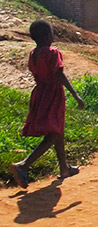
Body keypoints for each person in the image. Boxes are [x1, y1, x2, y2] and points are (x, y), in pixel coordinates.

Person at [9, 20, 85, 189]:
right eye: (51, 34)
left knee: (58, 129)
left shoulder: (33, 53)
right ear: (46, 36)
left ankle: (64, 168)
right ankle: (24, 165)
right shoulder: (52, 53)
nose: (53, 37)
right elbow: (59, 74)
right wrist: (75, 94)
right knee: (53, 133)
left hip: (40, 93)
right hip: (53, 94)